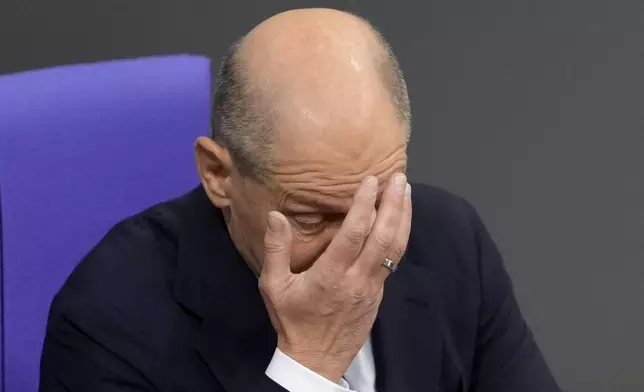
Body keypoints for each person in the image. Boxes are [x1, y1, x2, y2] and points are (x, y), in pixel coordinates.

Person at [39, 8, 561, 392]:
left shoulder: (451, 243)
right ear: (219, 174)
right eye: (310, 217)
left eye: (377, 202)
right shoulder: (104, 322)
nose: (359, 249)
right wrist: (309, 365)